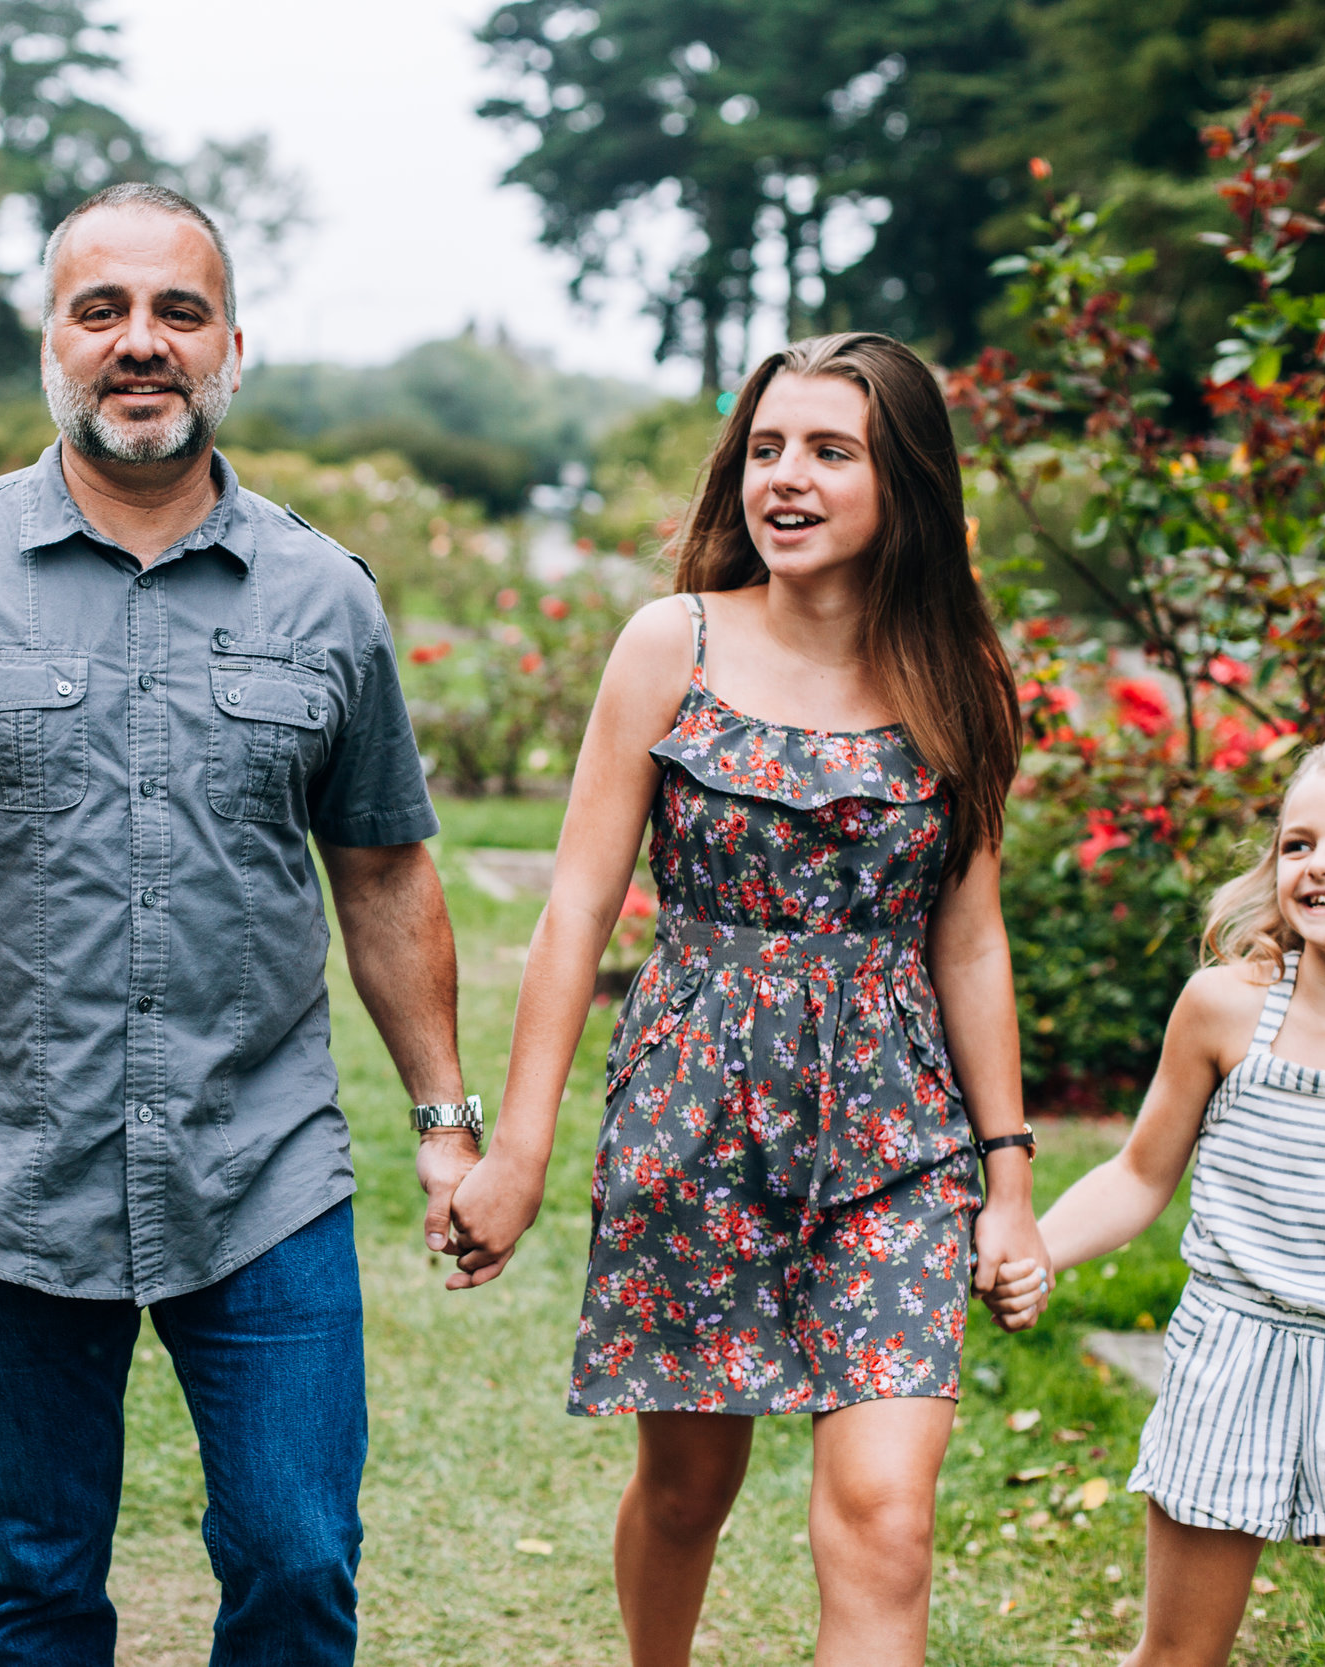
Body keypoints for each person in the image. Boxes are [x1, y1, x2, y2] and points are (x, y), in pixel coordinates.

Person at [0, 181, 471, 1665]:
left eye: (177, 312)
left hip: (261, 1161)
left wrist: (443, 1116)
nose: (143, 343)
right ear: (52, 343)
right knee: (40, 1579)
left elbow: (384, 869)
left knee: (299, 1554)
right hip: (12, 1163)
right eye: (104, 310)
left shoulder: (326, 595)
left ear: (232, 347)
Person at [443, 332, 1049, 1665]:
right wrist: (521, 1151)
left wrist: (1007, 1177)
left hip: (900, 1134)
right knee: (686, 1490)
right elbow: (576, 910)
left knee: (887, 1512)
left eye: (832, 451)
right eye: (768, 447)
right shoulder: (676, 642)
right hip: (697, 1113)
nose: (788, 476)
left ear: (906, 480)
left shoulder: (963, 678)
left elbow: (971, 938)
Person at [983, 739, 1325, 1666]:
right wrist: (1035, 1247)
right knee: (1179, 1656)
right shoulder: (1227, 1007)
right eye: (1297, 843)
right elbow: (1139, 1173)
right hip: (1232, 1353)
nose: (1319, 863)